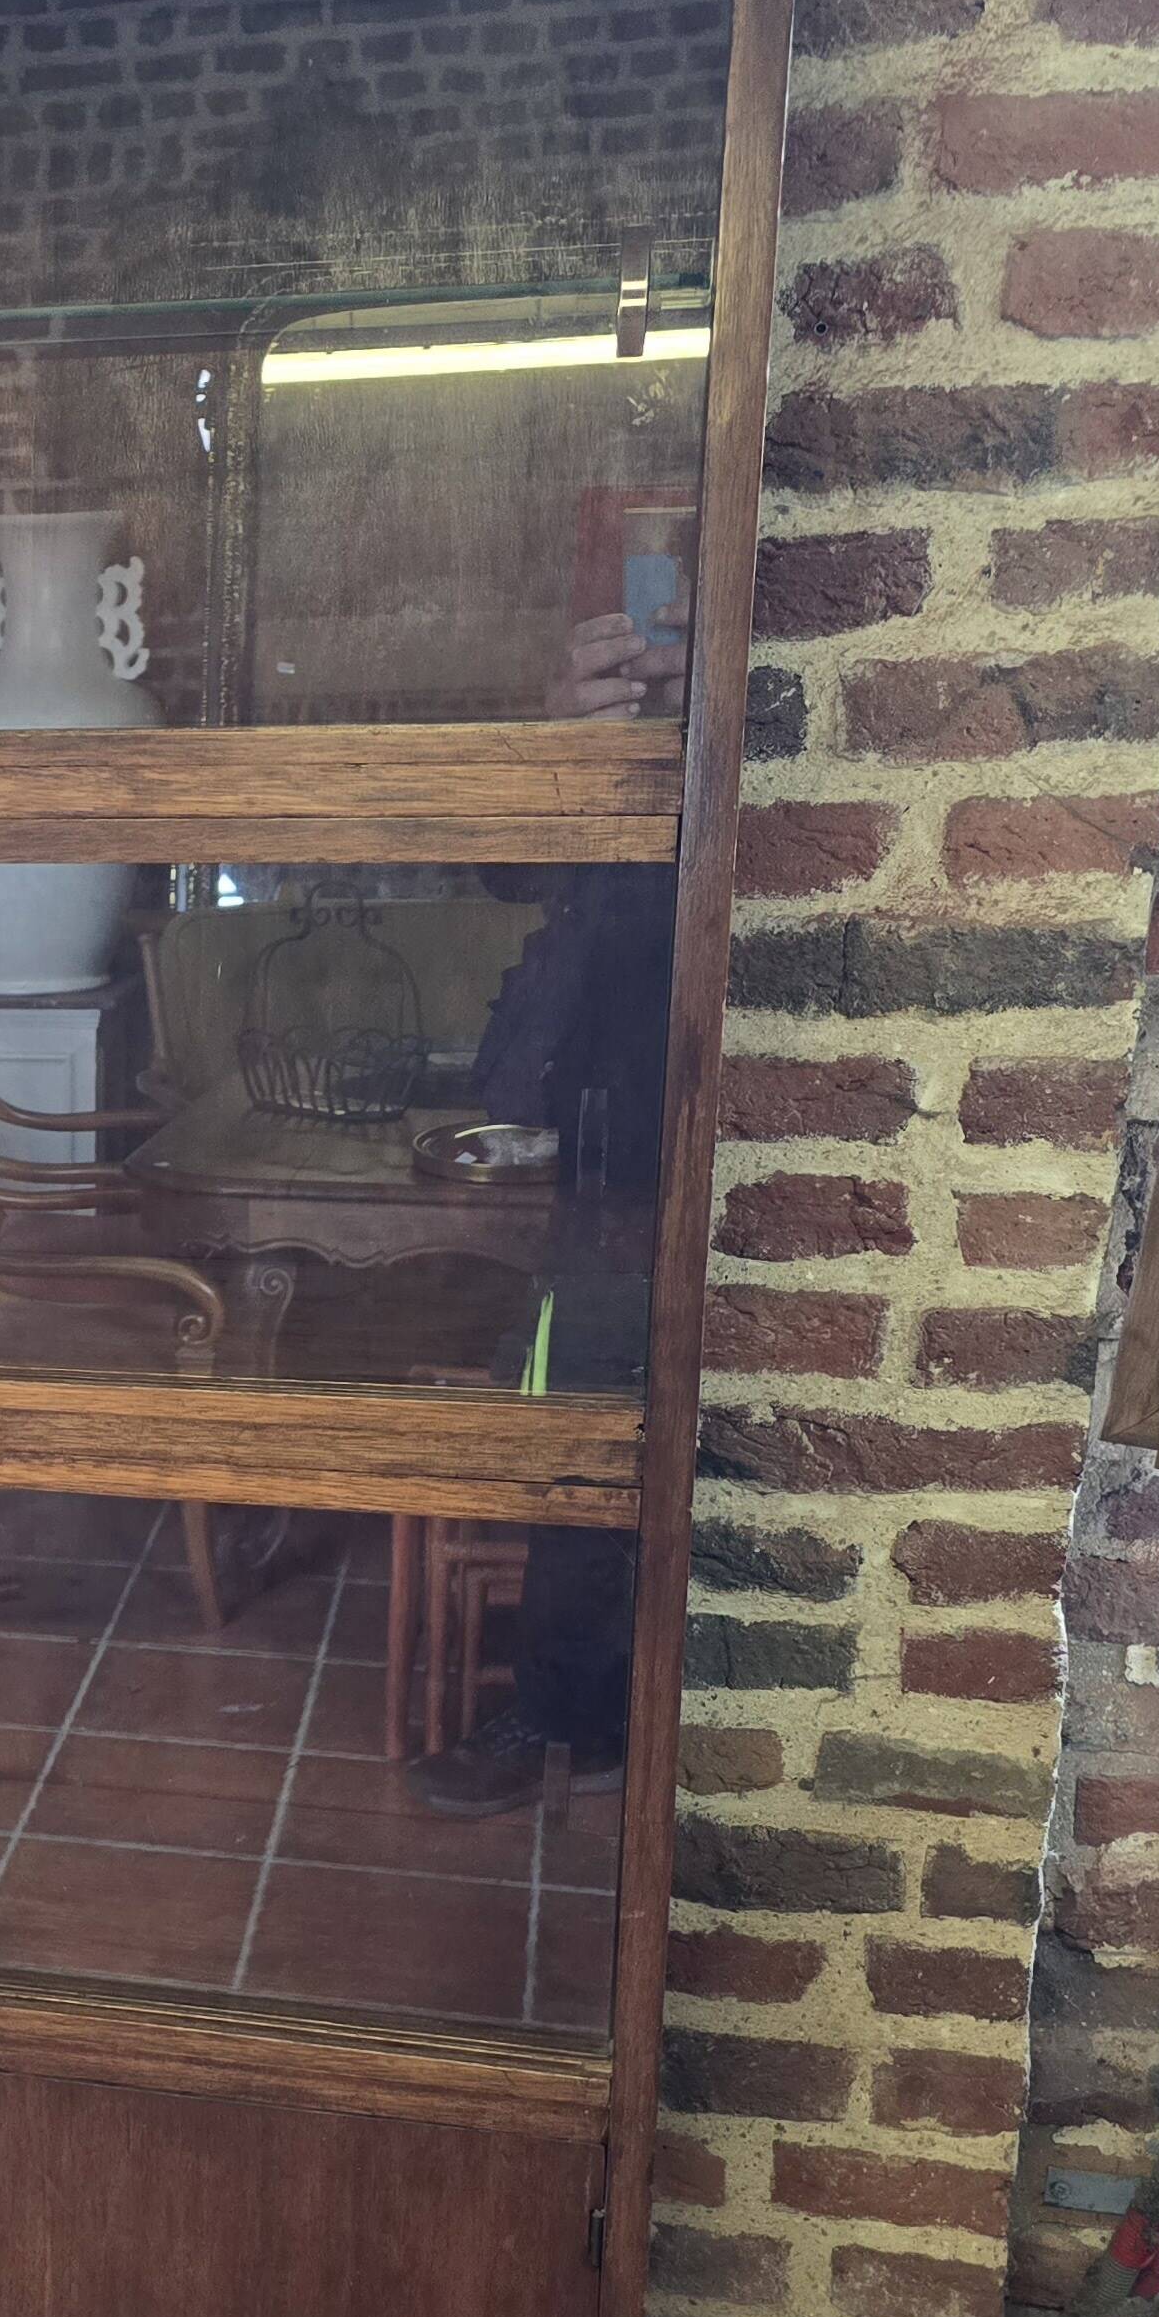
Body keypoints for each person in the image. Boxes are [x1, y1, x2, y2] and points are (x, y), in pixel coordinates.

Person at [404, 604, 680, 1819]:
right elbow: (506, 863)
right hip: (600, 1136)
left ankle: (625, 1720)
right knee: (573, 1421)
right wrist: (567, 735)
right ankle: (567, 1708)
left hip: (731, 1114)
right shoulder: (611, 706)